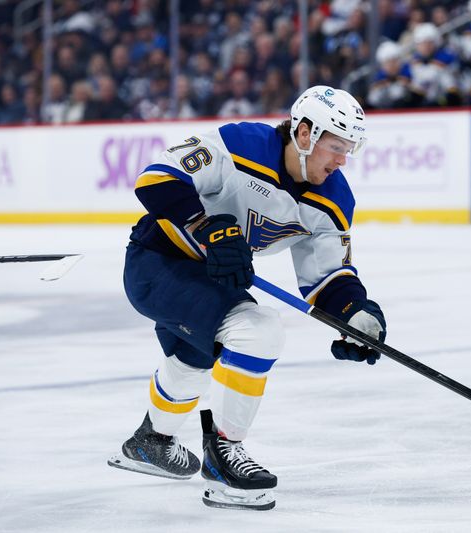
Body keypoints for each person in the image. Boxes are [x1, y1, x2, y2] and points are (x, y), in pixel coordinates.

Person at [108, 86, 387, 511]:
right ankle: (222, 455)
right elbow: (156, 179)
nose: (342, 161)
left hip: (213, 280)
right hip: (157, 262)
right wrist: (205, 224)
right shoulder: (241, 145)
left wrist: (356, 314)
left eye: (349, 150)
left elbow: (328, 278)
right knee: (257, 330)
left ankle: (151, 442)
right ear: (306, 133)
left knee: (193, 360)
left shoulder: (333, 198)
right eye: (336, 147)